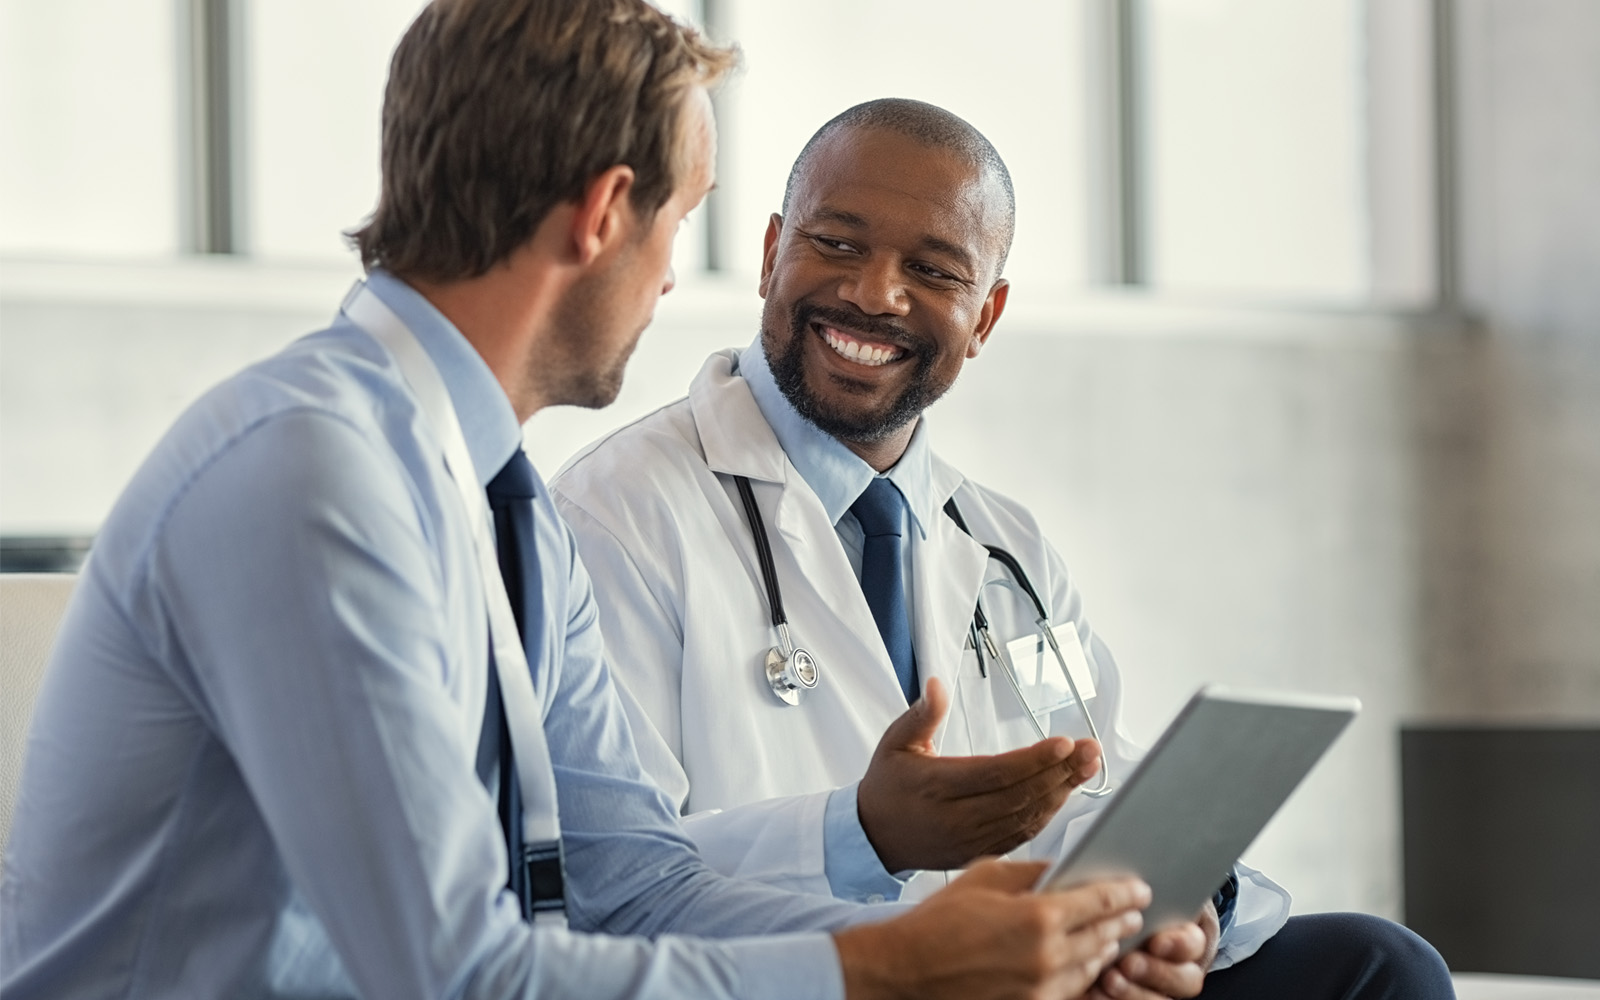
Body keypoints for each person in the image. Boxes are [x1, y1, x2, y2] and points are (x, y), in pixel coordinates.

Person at [0, 7, 1160, 1000]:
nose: (670, 277)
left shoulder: (503, 510)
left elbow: (631, 886)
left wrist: (944, 942)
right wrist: (891, 972)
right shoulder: (313, 477)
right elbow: (457, 973)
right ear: (606, 211)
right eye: (681, 220)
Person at [550, 99, 1458, 1000]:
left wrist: (1178, 910)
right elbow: (608, 882)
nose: (874, 293)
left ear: (985, 316)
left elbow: (1090, 779)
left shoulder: (1004, 552)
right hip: (826, 983)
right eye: (838, 243)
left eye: (934, 270)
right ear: (769, 254)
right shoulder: (617, 517)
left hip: (1031, 976)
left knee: (1378, 971)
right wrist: (860, 834)